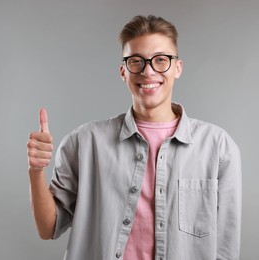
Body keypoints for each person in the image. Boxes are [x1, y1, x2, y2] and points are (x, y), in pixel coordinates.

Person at [27, 15, 242, 260]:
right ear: (123, 71)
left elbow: (226, 249)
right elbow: (48, 228)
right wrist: (36, 171)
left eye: (161, 60)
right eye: (136, 61)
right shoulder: (85, 142)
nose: (148, 71)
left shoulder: (218, 148)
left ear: (178, 68)